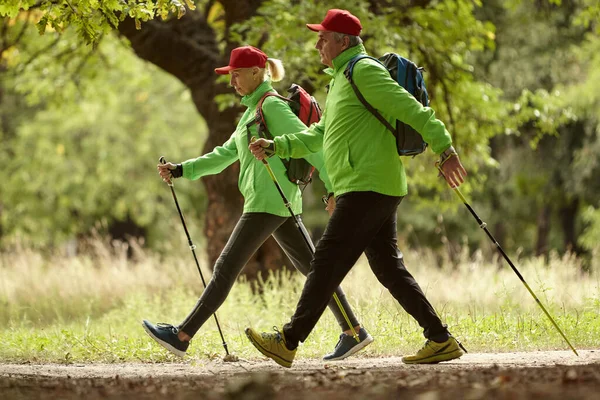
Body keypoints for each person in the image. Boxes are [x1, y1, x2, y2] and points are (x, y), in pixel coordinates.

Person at [246, 9, 468, 367]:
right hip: (367, 184)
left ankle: (288, 340)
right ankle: (440, 338)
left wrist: (446, 150)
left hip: (369, 185)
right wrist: (278, 146)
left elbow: (413, 111)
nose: (318, 43)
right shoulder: (339, 81)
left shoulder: (364, 70)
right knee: (387, 267)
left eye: (323, 37)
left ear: (343, 41)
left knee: (327, 260)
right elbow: (320, 134)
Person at [142, 45, 373, 362]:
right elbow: (224, 155)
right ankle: (354, 331)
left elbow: (309, 145)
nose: (232, 81)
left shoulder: (273, 107)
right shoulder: (251, 113)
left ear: (256, 72)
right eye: (230, 75)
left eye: (236, 74)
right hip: (277, 203)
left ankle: (182, 335)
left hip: (268, 202)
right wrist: (182, 169)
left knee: (225, 268)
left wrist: (333, 189)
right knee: (316, 270)